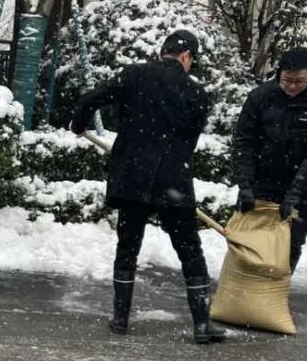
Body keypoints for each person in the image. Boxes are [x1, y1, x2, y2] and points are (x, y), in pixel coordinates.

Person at [71, 30, 225, 344]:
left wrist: (79, 123)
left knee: (128, 247)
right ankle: (201, 324)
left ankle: (120, 319)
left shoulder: (134, 76)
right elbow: (189, 142)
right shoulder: (196, 93)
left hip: (133, 180)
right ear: (187, 57)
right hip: (173, 182)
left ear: (162, 53)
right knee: (190, 250)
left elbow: (90, 99)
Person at [231, 46, 307, 273]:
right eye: (287, 80)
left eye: (299, 81)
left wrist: (295, 193)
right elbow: (243, 141)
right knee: (249, 244)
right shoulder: (260, 97)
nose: (292, 86)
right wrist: (245, 185)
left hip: (303, 185)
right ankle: (243, 290)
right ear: (279, 73)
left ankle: (275, 290)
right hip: (262, 181)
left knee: (288, 246)